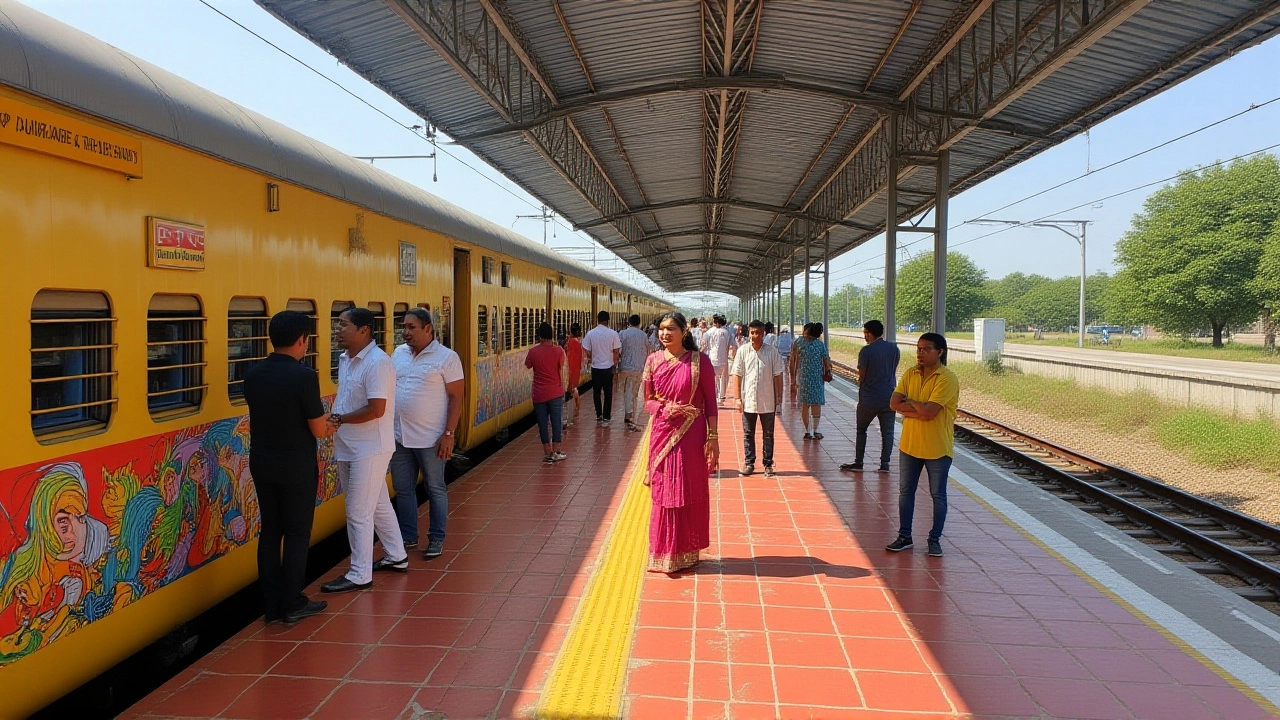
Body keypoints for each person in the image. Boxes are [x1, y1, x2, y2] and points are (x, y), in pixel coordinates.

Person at [243, 310, 333, 623]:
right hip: (295, 465)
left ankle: (271, 605)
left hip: (262, 462)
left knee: (270, 532)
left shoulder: (253, 374)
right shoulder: (304, 376)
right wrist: (330, 424)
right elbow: (318, 430)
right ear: (301, 339)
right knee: (296, 533)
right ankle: (293, 602)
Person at [320, 307, 408, 593]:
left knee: (357, 511)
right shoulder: (346, 359)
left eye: (343, 325)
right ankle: (396, 555)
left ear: (364, 330)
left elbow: (377, 408)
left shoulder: (378, 363)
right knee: (379, 503)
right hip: (348, 444)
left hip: (370, 448)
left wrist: (340, 419)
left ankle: (360, 573)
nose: (337, 329)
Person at [642, 312, 718, 574]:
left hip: (692, 433)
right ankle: (662, 551)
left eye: (671, 329)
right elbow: (648, 401)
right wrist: (666, 409)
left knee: (687, 488)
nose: (665, 334)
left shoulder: (700, 362)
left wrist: (713, 437)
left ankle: (686, 550)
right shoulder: (652, 361)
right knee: (664, 491)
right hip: (663, 432)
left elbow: (710, 402)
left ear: (684, 331)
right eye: (661, 329)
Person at [390, 308, 464, 560]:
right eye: (404, 327)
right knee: (403, 489)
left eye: (411, 327)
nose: (406, 332)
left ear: (428, 329)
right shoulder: (398, 354)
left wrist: (449, 434)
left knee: (435, 488)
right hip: (399, 436)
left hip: (431, 439)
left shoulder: (447, 358)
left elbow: (456, 398)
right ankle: (408, 537)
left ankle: (436, 538)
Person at [886, 333, 960, 557]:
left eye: (927, 349)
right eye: (918, 349)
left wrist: (913, 404)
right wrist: (920, 408)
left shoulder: (947, 379)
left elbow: (929, 413)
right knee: (905, 492)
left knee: (938, 495)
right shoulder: (910, 373)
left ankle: (934, 539)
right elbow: (893, 404)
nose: (920, 353)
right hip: (909, 445)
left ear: (940, 352)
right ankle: (904, 536)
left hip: (937, 448)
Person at [842, 320, 901, 473]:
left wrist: (862, 387)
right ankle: (885, 464)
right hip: (889, 396)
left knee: (861, 430)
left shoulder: (866, 351)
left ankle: (859, 462)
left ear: (869, 332)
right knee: (887, 432)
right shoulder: (894, 349)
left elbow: (862, 374)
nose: (864, 336)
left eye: (865, 333)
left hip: (869, 397)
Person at [728, 320, 784, 478]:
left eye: (758, 333)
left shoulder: (772, 352)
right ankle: (749, 462)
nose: (755, 336)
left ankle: (768, 463)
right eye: (752, 333)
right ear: (749, 333)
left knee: (768, 434)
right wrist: (737, 398)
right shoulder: (743, 351)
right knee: (748, 433)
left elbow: (778, 376)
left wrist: (779, 399)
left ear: (763, 333)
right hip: (749, 400)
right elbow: (736, 375)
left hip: (768, 401)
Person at [527, 322, 569, 463]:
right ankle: (556, 450)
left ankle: (547, 452)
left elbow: (528, 365)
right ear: (552, 335)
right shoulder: (558, 351)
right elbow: (561, 367)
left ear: (540, 335)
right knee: (556, 421)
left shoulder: (533, 352)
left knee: (542, 423)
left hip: (538, 393)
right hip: (555, 391)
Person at [582, 311, 621, 427]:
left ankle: (598, 415)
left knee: (596, 392)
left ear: (598, 320)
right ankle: (606, 417)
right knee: (608, 393)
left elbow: (586, 350)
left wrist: (591, 357)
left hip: (595, 367)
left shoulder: (590, 333)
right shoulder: (613, 333)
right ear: (607, 320)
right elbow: (616, 351)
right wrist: (615, 365)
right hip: (608, 367)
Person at [794, 323, 831, 439]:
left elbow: (794, 361)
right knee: (816, 405)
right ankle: (815, 431)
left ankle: (807, 431)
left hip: (804, 378)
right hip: (817, 379)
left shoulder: (800, 343)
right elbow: (826, 362)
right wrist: (828, 372)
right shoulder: (820, 345)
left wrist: (793, 378)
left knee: (805, 405)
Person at [617, 314, 650, 432]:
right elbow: (647, 349)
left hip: (625, 367)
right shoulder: (643, 335)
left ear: (629, 322)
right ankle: (632, 416)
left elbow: (618, 349)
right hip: (638, 368)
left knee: (626, 391)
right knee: (635, 393)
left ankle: (627, 414)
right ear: (639, 323)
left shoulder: (622, 334)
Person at [700, 314, 736, 404]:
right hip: (723, 358)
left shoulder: (708, 333)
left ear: (715, 322)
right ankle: (721, 397)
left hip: (711, 358)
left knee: (713, 379)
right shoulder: (727, 332)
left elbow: (704, 346)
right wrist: (734, 355)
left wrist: (700, 354)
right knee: (723, 378)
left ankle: (714, 396)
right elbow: (734, 345)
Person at [564, 322, 584, 428]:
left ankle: (571, 416)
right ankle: (572, 415)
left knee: (571, 393)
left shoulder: (571, 342)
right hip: (573, 372)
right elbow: (574, 361)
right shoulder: (574, 343)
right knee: (572, 392)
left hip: (572, 372)